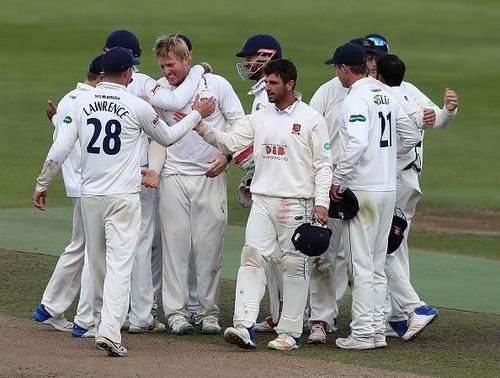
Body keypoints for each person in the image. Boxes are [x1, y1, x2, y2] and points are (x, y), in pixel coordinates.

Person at [32, 47, 215, 357]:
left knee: (97, 262)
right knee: (119, 266)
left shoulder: (79, 102)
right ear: (129, 73)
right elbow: (168, 137)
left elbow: (60, 147)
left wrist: (41, 183)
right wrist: (197, 113)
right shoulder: (135, 105)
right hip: (123, 198)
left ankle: (95, 322)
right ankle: (109, 331)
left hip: (90, 197)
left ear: (102, 73)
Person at [195, 58, 332, 350]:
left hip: (297, 202)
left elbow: (323, 166)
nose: (267, 88)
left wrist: (321, 203)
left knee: (294, 265)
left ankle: (290, 333)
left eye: (273, 83)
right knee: (252, 257)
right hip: (262, 200)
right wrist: (200, 126)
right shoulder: (260, 116)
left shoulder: (311, 119)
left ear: (290, 84)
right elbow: (230, 142)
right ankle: (244, 326)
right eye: (266, 82)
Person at [103, 29, 210, 333]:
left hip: (103, 178)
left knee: (108, 245)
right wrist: (200, 69)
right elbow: (177, 102)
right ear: (133, 62)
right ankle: (141, 314)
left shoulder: (94, 91)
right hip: (140, 173)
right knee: (144, 244)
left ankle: (107, 312)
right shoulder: (148, 86)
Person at [147, 34, 245, 336]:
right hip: (174, 176)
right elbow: (157, 135)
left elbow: (240, 123)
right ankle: (176, 312)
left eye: (172, 65)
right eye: (162, 66)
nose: (167, 72)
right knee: (175, 247)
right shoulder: (159, 90)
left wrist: (226, 155)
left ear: (187, 59)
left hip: (209, 176)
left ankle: (208, 313)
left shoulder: (218, 86)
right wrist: (155, 170)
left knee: (209, 247)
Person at [327, 43, 421, 350]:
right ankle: (377, 330)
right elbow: (410, 135)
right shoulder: (386, 93)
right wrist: (387, 160)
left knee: (362, 265)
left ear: (344, 68)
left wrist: (338, 180)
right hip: (387, 189)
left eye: (336, 68)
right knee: (377, 263)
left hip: (364, 191)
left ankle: (364, 334)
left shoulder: (356, 97)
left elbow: (354, 144)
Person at [374, 52, 458, 340]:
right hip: (406, 180)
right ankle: (398, 317)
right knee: (395, 247)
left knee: (381, 245)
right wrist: (447, 111)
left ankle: (412, 309)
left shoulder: (391, 94)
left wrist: (446, 112)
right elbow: (436, 121)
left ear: (378, 73)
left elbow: (433, 124)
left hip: (396, 179)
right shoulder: (406, 91)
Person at [306, 37, 383, 344]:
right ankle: (321, 320)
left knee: (357, 261)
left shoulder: (370, 94)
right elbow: (309, 128)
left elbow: (362, 143)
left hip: (352, 185)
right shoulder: (328, 91)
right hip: (331, 183)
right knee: (325, 253)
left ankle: (367, 328)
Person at [31, 55, 104, 338]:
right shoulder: (91, 102)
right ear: (99, 77)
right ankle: (86, 319)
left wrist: (54, 120)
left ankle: (50, 308)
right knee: (91, 251)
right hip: (90, 184)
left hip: (78, 184)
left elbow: (66, 136)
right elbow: (67, 144)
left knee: (79, 246)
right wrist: (42, 181)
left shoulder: (67, 100)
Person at [234, 33, 285, 333]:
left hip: (277, 187)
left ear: (267, 57)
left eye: (250, 57)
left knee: (277, 256)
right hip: (267, 181)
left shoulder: (268, 95)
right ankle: (279, 316)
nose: (247, 63)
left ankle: (287, 317)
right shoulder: (261, 92)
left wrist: (250, 165)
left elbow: (271, 140)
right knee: (271, 256)